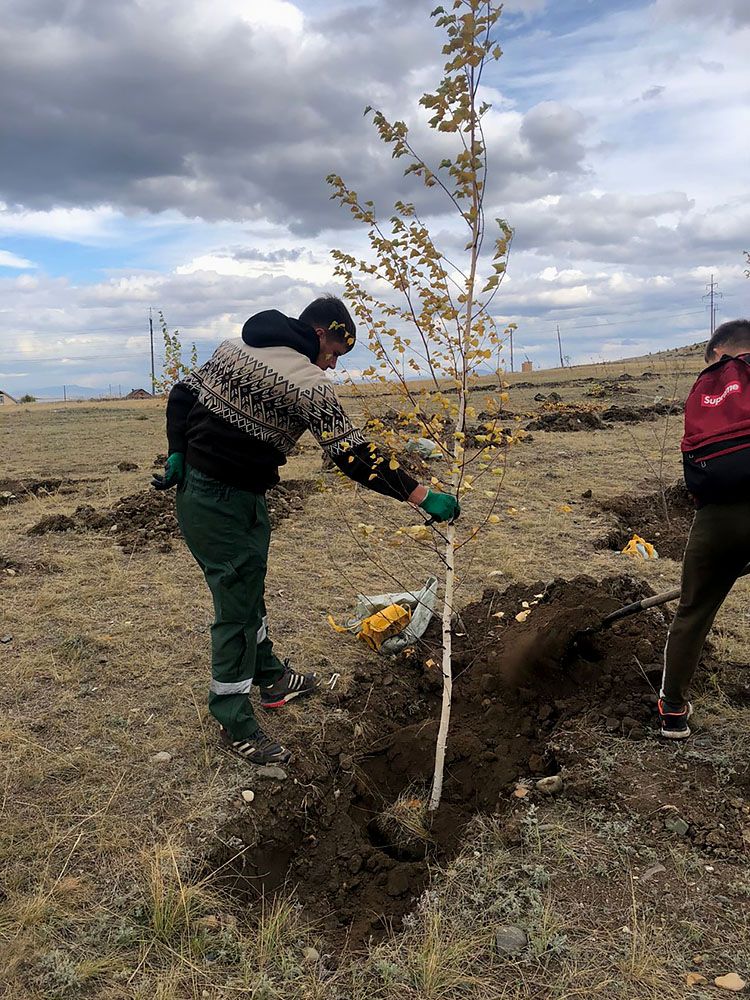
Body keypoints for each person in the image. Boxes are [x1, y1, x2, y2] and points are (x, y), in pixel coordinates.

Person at [153, 296, 459, 764]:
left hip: (240, 495)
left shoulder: (233, 348)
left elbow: (180, 394)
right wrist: (421, 496)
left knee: (248, 589)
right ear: (320, 332)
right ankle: (232, 717)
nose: (334, 364)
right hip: (215, 500)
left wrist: (177, 448)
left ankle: (272, 676)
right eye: (336, 351)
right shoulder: (306, 382)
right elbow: (352, 456)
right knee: (235, 605)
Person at [659, 318, 750, 739]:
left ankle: (673, 712)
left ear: (719, 351)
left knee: (693, 612)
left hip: (717, 517)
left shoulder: (707, 387)